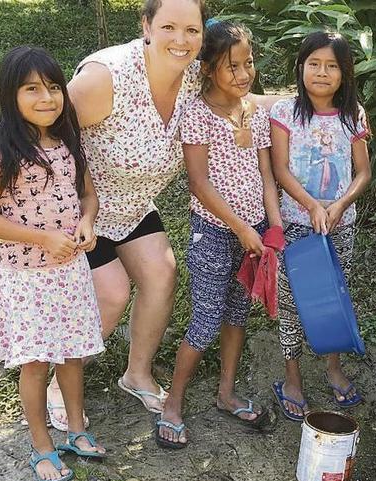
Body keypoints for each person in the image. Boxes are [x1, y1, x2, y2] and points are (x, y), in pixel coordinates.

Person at [0, 0, 208, 427]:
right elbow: (29, 124)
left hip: (131, 204)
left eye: (192, 30)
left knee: (162, 275)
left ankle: (137, 374)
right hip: (72, 212)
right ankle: (57, 381)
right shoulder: (106, 79)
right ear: (145, 25)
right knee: (110, 294)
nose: (180, 41)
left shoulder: (195, 76)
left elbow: (243, 95)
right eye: (168, 27)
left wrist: (300, 100)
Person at [0, 46, 106, 481]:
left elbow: (88, 194)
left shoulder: (66, 141)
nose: (46, 98)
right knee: (35, 365)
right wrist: (42, 238)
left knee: (73, 357)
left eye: (53, 87)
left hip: (71, 274)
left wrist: (86, 221)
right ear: (10, 95)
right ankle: (42, 445)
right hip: (26, 279)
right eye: (31, 89)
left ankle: (76, 429)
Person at [154, 20, 281, 448]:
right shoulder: (197, 115)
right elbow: (199, 184)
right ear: (208, 68)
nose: (244, 74)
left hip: (255, 234)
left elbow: (266, 173)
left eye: (248, 63)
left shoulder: (254, 112)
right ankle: (173, 403)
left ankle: (226, 393)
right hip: (213, 234)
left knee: (237, 316)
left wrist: (273, 222)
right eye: (232, 67)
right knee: (206, 322)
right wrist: (241, 227)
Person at [268, 31, 372, 421]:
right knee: (293, 302)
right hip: (297, 225)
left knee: (335, 297)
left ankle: (333, 368)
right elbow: (280, 169)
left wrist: (341, 204)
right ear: (301, 68)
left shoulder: (353, 114)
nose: (322, 73)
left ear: (345, 73)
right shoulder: (285, 112)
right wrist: (312, 205)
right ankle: (291, 378)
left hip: (340, 226)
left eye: (332, 66)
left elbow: (363, 172)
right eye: (314, 64)